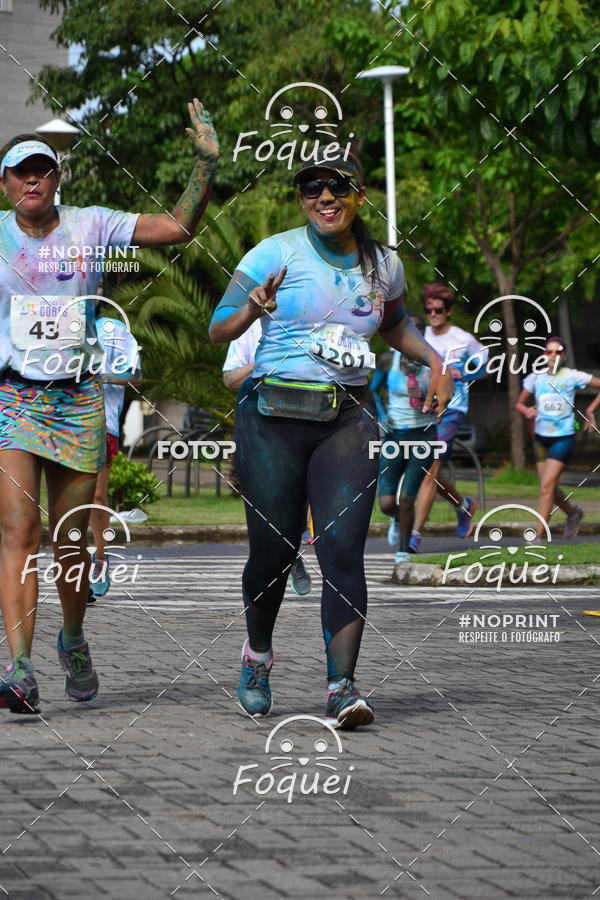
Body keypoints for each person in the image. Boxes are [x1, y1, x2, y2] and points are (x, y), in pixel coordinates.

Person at [209, 151, 454, 729]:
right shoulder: (274, 251)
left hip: (348, 417)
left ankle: (341, 687)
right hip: (271, 416)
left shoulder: (384, 264)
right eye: (311, 187)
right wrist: (252, 308)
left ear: (358, 194)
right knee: (272, 553)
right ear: (301, 198)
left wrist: (435, 359)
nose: (325, 196)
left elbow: (393, 325)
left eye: (337, 186)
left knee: (343, 550)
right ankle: (258, 656)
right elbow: (218, 326)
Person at [0, 99, 218, 713]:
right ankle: (19, 668)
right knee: (18, 531)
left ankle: (72, 638)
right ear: (6, 184)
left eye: (43, 168)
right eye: (21, 171)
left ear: (58, 177)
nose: (34, 178)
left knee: (69, 541)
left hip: (77, 400)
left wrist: (204, 168)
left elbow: (177, 228)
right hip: (13, 397)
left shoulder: (91, 225)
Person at [222, 322, 312, 596]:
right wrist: (262, 360)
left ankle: (292, 554)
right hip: (260, 431)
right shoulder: (249, 330)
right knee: (265, 507)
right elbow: (230, 379)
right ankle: (274, 569)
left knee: (298, 502)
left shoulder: (309, 324)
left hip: (303, 424)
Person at [411, 283, 488, 551]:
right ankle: (464, 505)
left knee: (430, 465)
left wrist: (466, 374)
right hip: (423, 408)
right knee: (422, 468)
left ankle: (414, 536)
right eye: (428, 310)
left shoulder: (462, 338)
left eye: (438, 310)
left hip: (453, 408)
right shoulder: (422, 337)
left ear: (449, 310)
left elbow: (485, 363)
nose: (433, 315)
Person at [515, 336, 600, 539]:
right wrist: (526, 411)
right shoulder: (535, 377)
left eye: (558, 352)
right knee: (549, 488)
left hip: (563, 438)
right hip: (540, 439)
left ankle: (537, 536)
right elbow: (519, 403)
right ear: (544, 355)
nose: (553, 355)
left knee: (546, 488)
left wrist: (590, 410)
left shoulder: (571, 375)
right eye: (549, 351)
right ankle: (573, 513)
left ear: (564, 355)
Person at [371, 314, 437, 564]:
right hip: (394, 436)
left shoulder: (434, 362)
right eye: (412, 328)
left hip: (424, 436)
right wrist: (382, 415)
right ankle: (398, 519)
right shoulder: (388, 360)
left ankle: (404, 550)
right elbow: (373, 391)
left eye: (421, 328)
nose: (416, 332)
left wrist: (436, 404)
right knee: (387, 503)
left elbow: (447, 393)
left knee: (408, 497)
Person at [88, 310, 143, 601]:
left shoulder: (113, 329)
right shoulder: (51, 322)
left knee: (96, 495)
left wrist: (99, 376)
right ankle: (72, 566)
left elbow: (135, 376)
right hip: (55, 421)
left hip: (100, 423)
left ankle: (99, 558)